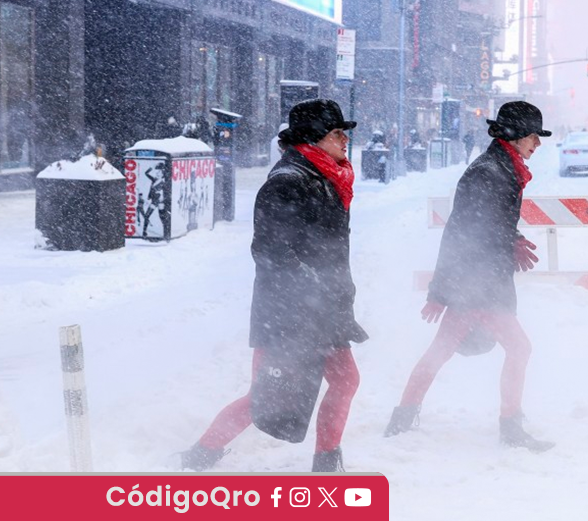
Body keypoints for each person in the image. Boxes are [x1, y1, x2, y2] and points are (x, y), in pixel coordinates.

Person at [180, 99, 368, 472]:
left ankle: (327, 464)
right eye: (337, 133)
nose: (345, 140)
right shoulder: (288, 182)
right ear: (313, 138)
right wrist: (314, 289)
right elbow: (270, 252)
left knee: (345, 380)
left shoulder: (326, 177)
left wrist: (331, 294)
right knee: (264, 400)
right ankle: (198, 457)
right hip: (290, 314)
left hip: (325, 308)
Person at [384, 101, 554, 453]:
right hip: (479, 281)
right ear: (516, 135)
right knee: (518, 348)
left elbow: (490, 224)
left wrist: (513, 239)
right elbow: (463, 231)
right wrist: (440, 291)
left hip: (478, 279)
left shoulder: (502, 167)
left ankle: (403, 416)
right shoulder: (489, 172)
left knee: (442, 350)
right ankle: (510, 426)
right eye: (534, 136)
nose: (537, 144)